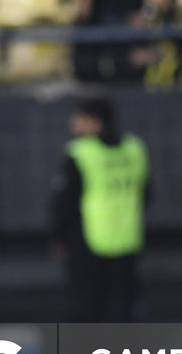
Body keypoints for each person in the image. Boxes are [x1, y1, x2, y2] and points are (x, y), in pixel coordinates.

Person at [50, 96, 149, 323]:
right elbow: (146, 193)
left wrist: (59, 236)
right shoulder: (134, 148)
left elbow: (65, 201)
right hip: (127, 239)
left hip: (88, 241)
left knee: (85, 308)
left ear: (96, 122)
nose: (73, 124)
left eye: (79, 119)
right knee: (123, 309)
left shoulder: (80, 152)